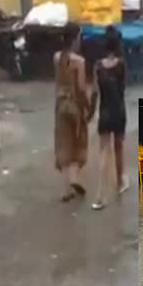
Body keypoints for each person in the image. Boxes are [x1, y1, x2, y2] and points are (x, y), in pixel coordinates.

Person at [91, 26, 130, 210]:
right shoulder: (122, 64)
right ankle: (120, 182)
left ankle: (99, 196)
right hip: (119, 111)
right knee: (119, 147)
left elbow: (95, 92)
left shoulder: (97, 66)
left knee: (104, 152)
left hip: (104, 112)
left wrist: (91, 112)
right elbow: (123, 89)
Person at [54, 23, 91, 202]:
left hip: (60, 105)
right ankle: (75, 178)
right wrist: (88, 108)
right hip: (75, 106)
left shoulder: (56, 58)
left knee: (64, 144)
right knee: (79, 142)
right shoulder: (79, 61)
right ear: (75, 39)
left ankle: (65, 189)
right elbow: (82, 89)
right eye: (79, 37)